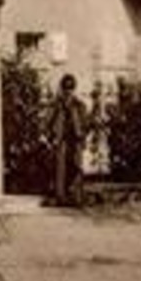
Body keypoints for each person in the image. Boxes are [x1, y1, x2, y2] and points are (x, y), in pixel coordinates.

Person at [47, 74, 90, 206]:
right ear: (62, 88)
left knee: (76, 167)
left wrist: (83, 139)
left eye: (70, 88)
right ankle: (61, 196)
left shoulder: (79, 105)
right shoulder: (56, 105)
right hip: (62, 141)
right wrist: (50, 137)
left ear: (74, 89)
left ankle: (76, 196)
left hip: (75, 141)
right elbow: (48, 121)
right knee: (61, 169)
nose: (68, 91)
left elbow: (85, 124)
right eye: (66, 88)